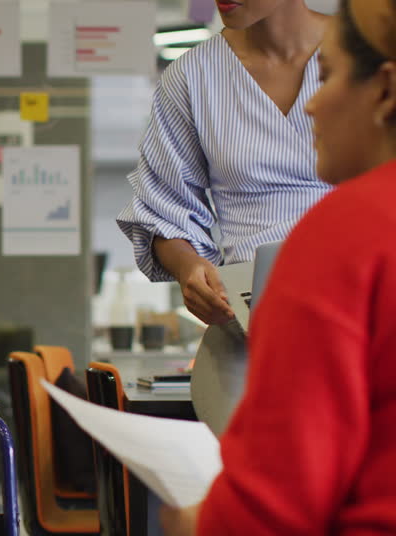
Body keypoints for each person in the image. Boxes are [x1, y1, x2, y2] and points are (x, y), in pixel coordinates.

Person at [159, 1, 396, 536]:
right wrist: (191, 267)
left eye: (329, 76)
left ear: (384, 91)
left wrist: (185, 528)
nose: (311, 102)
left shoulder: (339, 236)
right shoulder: (192, 78)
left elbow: (270, 522)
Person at [117, 0, 332, 324]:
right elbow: (163, 209)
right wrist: (189, 266)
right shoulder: (192, 76)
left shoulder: (370, 56)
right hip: (249, 312)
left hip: (361, 301)